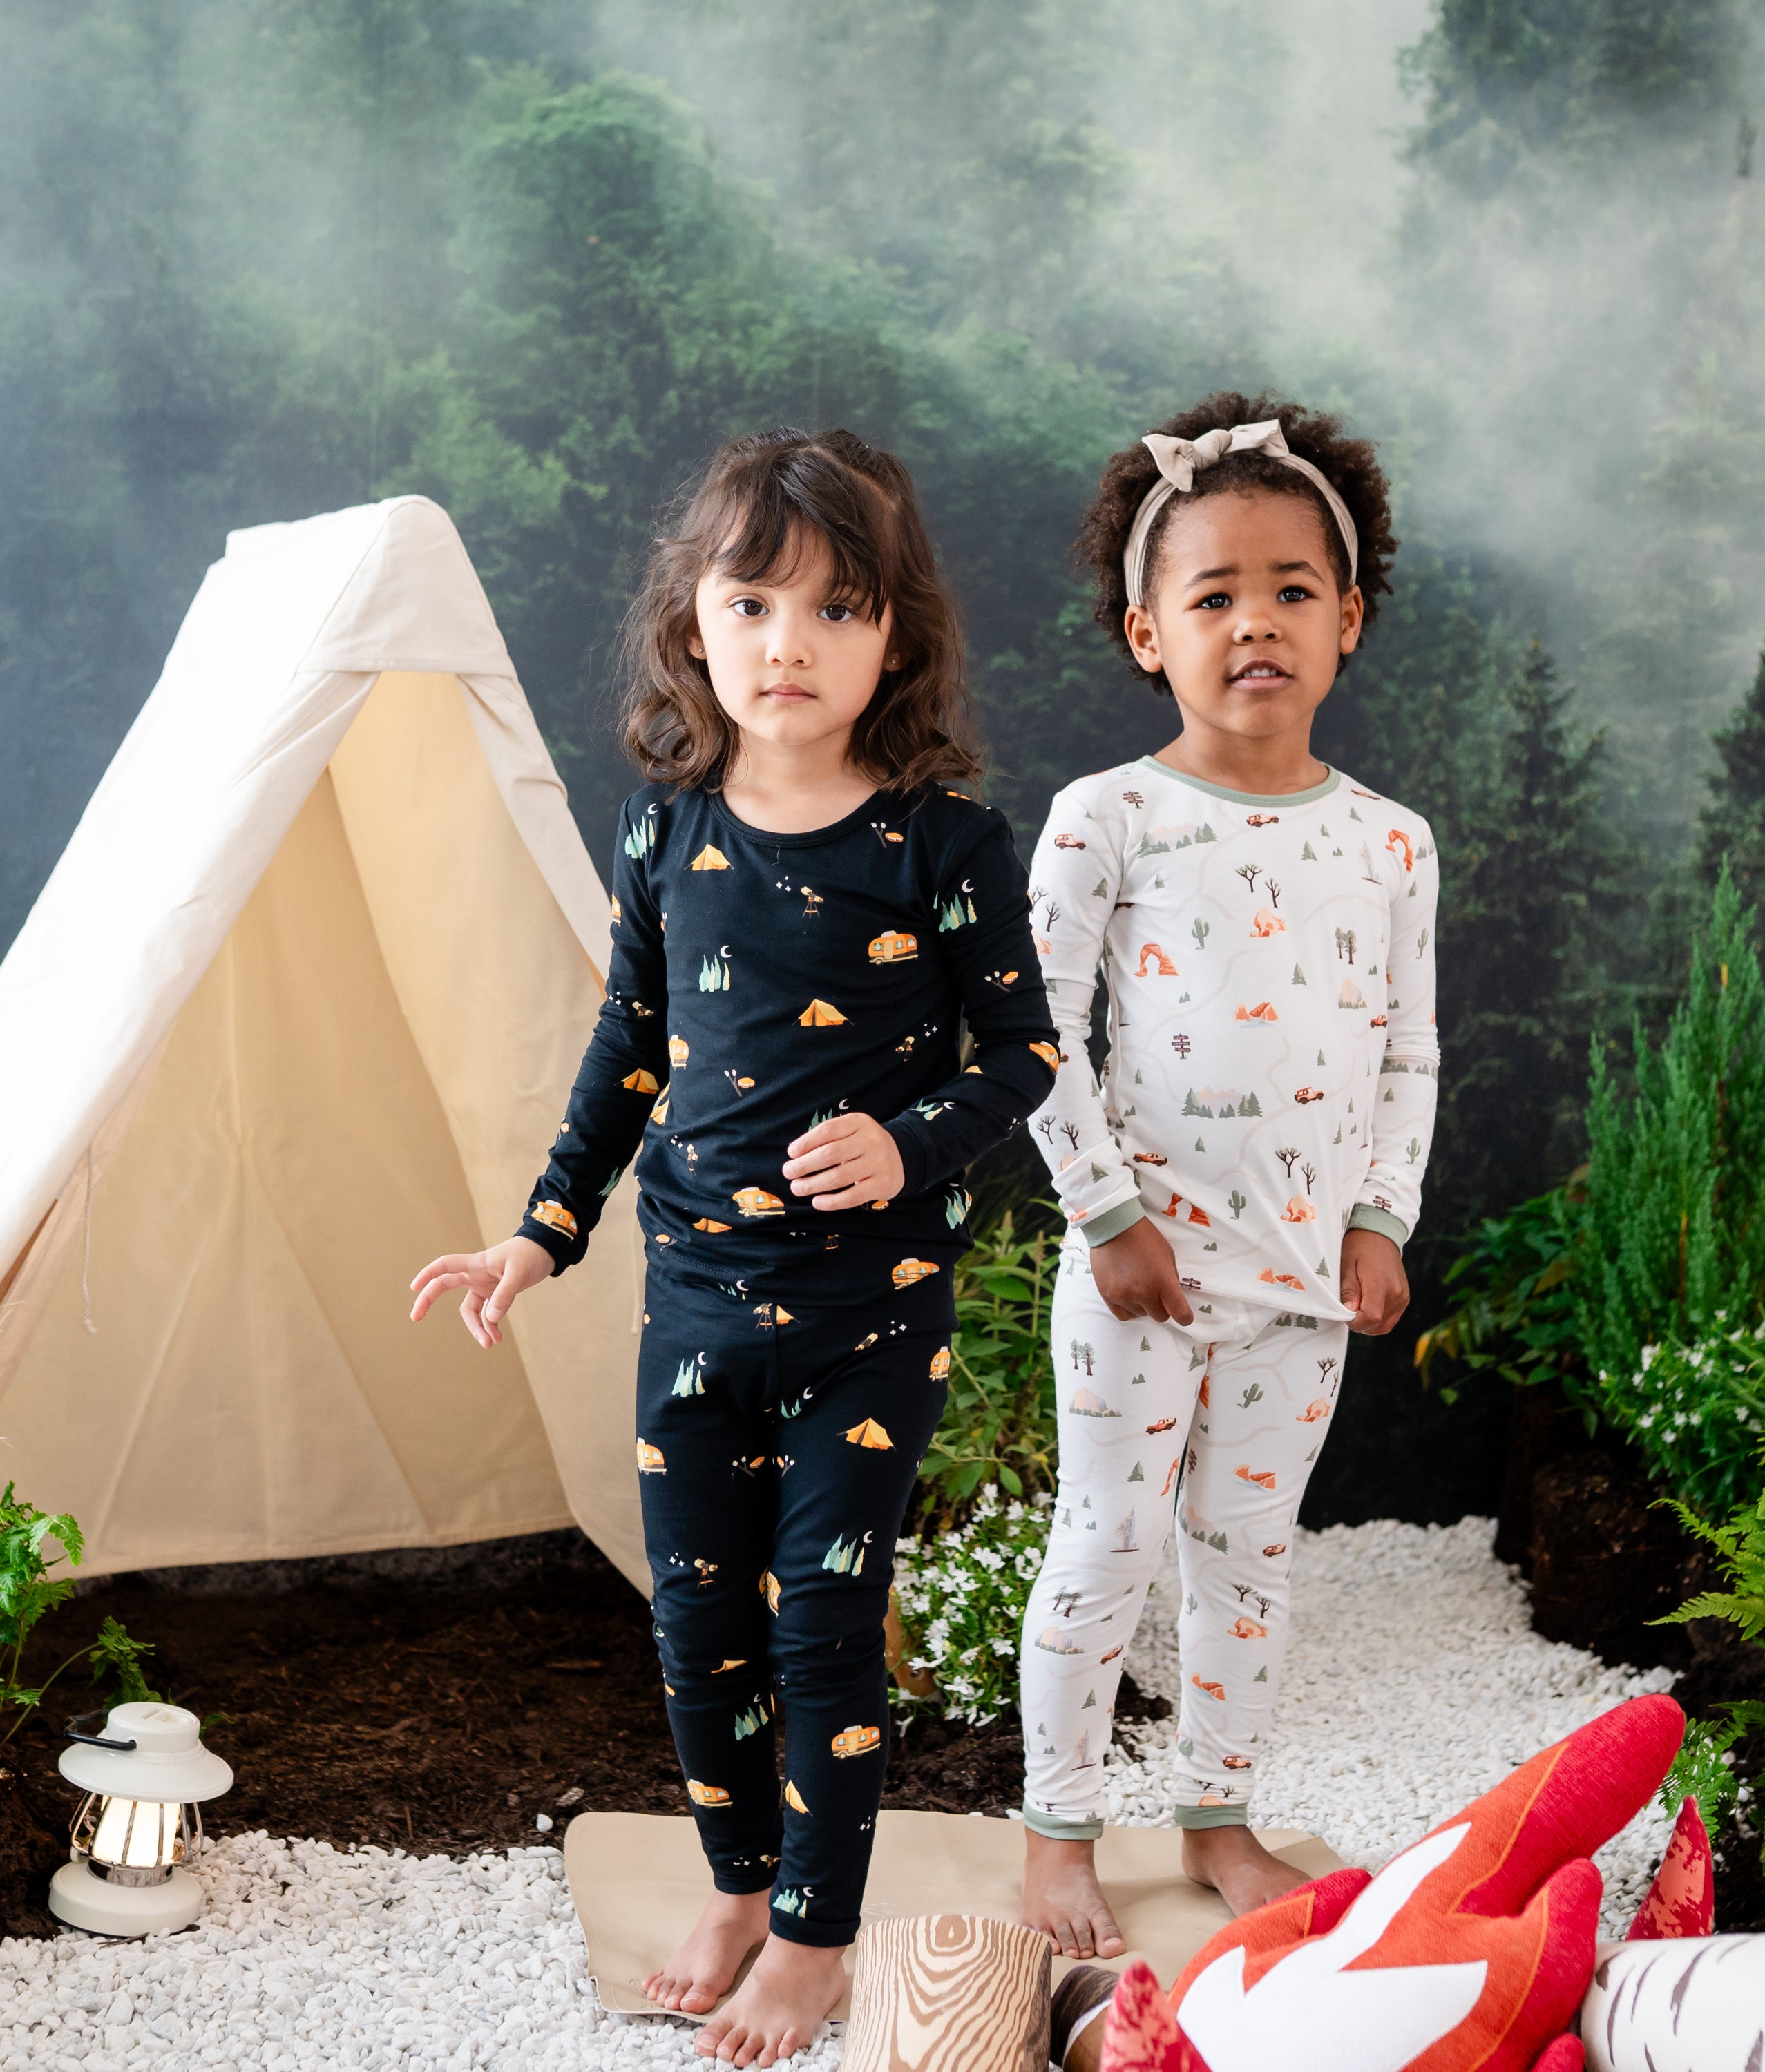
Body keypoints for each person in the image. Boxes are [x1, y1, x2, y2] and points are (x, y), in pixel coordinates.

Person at [410, 428, 1056, 2068]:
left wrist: (908, 1141)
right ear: (692, 625)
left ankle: (819, 1942)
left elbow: (1023, 1058)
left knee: (821, 1633)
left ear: (896, 636)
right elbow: (628, 1051)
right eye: (753, 602)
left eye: (837, 608)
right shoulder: (665, 831)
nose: (789, 642)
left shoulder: (945, 843)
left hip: (870, 1320)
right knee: (696, 1631)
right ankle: (741, 1885)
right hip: (693, 1311)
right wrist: (538, 1237)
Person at [1015, 394, 1440, 1960]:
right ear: (1149, 634)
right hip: (1143, 1272)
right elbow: (1034, 1029)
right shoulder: (1110, 819)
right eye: (1213, 596)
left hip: (1303, 1286)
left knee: (1249, 1560)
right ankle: (1058, 1828)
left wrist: (1382, 1217)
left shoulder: (1392, 845)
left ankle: (1216, 1812)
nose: (1254, 622)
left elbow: (1410, 1050)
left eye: (1290, 590)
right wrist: (1108, 1214)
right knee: (1107, 1544)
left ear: (1348, 620)